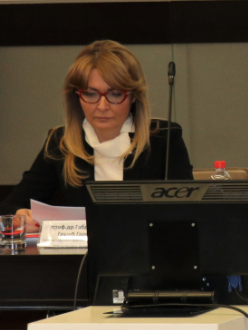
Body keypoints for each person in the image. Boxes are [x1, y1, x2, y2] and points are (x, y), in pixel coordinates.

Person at [0, 40, 192, 225]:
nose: (102, 106)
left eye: (115, 94)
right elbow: (10, 207)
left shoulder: (163, 139)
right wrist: (20, 215)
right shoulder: (60, 143)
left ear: (134, 96)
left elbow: (189, 211)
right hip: (85, 249)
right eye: (91, 94)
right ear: (76, 96)